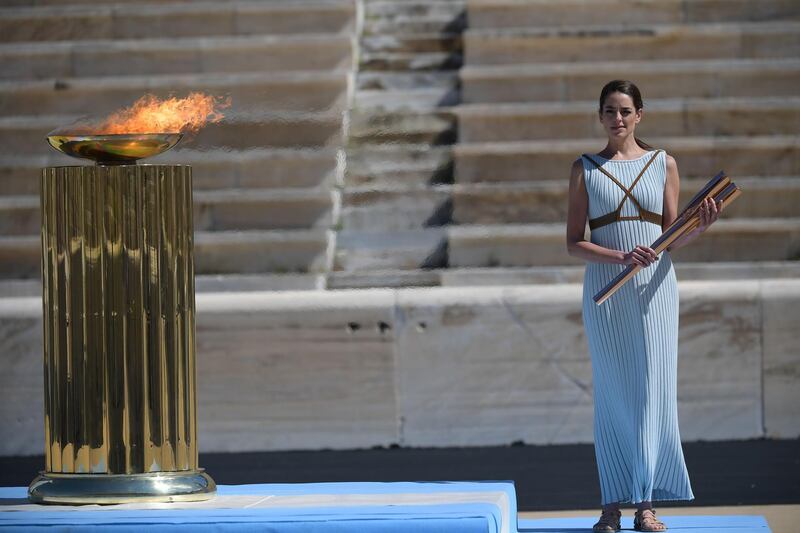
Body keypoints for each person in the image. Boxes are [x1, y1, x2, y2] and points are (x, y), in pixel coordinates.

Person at [566, 80, 723, 532]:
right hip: (607, 288)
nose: (618, 119)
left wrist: (702, 227)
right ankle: (611, 506)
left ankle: (647, 506)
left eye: (625, 111)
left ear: (640, 116)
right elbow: (574, 242)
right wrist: (620, 256)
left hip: (655, 289)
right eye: (610, 111)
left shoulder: (663, 164)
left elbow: (671, 237)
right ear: (600, 117)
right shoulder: (584, 169)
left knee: (654, 391)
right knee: (613, 393)